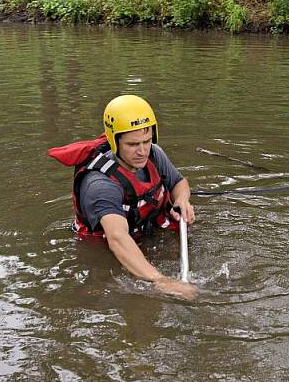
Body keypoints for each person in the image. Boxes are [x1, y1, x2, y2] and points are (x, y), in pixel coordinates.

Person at [48, 95, 197, 299]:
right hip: (106, 248)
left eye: (147, 141)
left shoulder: (154, 154)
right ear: (114, 141)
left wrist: (181, 200)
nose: (142, 151)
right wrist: (161, 280)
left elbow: (179, 183)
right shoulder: (100, 185)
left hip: (144, 231)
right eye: (133, 144)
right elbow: (117, 238)